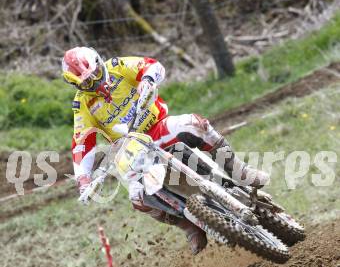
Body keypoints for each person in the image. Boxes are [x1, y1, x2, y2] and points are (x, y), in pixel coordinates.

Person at [62, 46, 268, 255]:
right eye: (87, 82)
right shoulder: (82, 104)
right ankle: (189, 227)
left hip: (157, 125)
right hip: (130, 147)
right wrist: (83, 179)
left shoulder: (117, 66)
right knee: (138, 196)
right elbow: (82, 141)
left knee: (195, 125)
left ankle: (239, 170)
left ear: (99, 62)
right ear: (75, 84)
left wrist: (148, 80)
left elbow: (152, 65)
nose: (96, 83)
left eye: (95, 74)